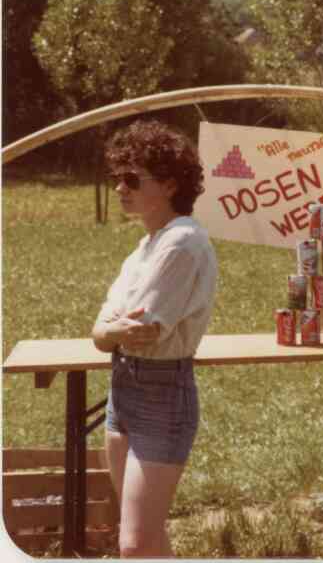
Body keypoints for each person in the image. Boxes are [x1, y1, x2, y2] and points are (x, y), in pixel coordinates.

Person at [91, 120, 217, 558]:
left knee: (134, 544)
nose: (120, 189)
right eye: (116, 179)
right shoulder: (145, 247)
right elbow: (103, 333)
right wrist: (110, 331)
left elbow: (139, 335)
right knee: (144, 536)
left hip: (163, 394)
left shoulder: (182, 243)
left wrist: (111, 330)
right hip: (122, 392)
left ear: (168, 184)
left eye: (131, 179)